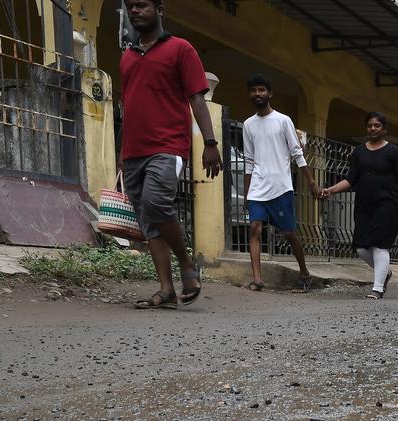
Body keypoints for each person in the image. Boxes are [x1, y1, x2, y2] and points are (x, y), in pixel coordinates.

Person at [120, 0, 221, 309]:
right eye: (130, 7)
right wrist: (120, 152)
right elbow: (128, 106)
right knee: (149, 222)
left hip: (167, 145)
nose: (135, 11)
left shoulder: (181, 49)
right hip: (133, 150)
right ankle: (166, 290)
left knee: (156, 202)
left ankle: (187, 265)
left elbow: (197, 98)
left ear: (159, 9)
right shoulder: (127, 56)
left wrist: (210, 142)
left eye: (142, 5)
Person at [320, 113, 398, 299]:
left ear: (385, 130)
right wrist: (330, 190)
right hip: (364, 204)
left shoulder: (394, 153)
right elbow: (350, 179)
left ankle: (377, 289)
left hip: (389, 203)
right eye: (370, 125)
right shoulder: (359, 152)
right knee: (361, 247)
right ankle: (385, 272)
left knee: (380, 245)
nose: (373, 128)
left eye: (377, 126)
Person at [241, 74, 320, 293]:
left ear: (269, 93)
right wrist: (247, 194)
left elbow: (297, 153)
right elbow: (249, 160)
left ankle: (304, 272)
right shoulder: (248, 125)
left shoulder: (283, 120)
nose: (258, 94)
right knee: (254, 228)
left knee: (288, 233)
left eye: (262, 90)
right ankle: (257, 279)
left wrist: (311, 183)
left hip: (281, 186)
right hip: (258, 186)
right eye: (254, 90)